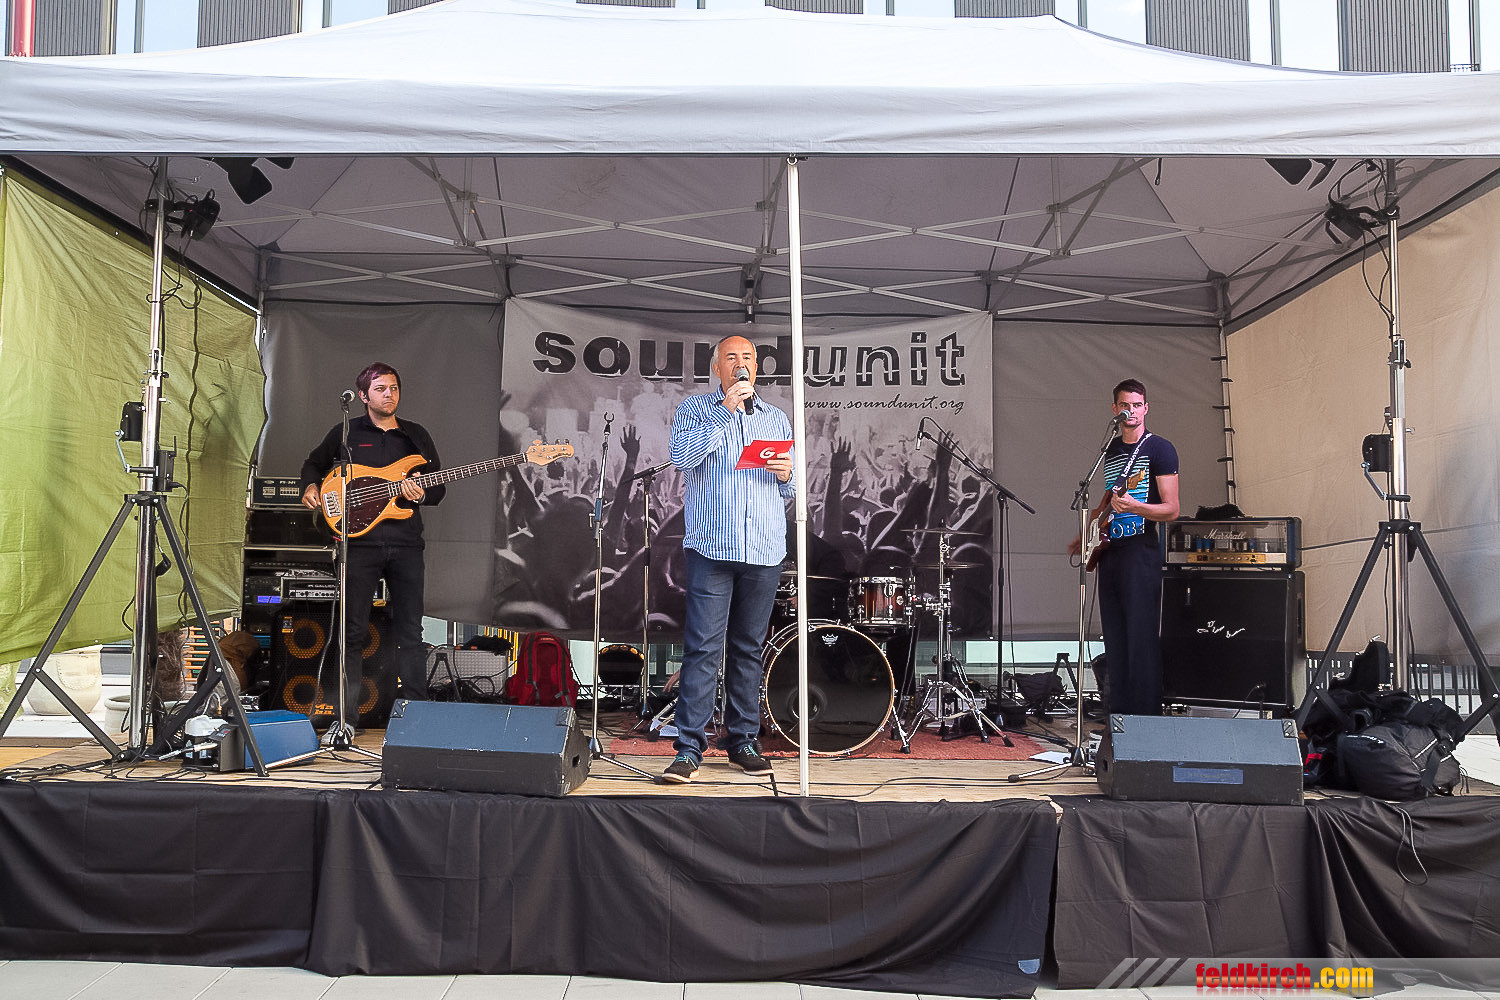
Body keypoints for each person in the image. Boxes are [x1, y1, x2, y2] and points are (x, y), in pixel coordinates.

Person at [662, 335, 795, 783]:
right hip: (712, 548)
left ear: (757, 368)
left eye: (748, 358)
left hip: (764, 549)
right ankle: (688, 749)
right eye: (731, 358)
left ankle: (743, 741)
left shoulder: (775, 418)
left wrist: (787, 473)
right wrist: (726, 411)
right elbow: (682, 457)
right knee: (703, 648)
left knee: (748, 649)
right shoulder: (695, 410)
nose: (741, 364)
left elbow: (791, 488)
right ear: (717, 368)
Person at [300, 362, 445, 735]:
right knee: (351, 632)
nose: (389, 395)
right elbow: (313, 464)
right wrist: (311, 487)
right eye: (380, 389)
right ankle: (346, 719)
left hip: (406, 544)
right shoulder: (346, 432)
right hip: (358, 545)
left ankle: (415, 717)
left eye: (394, 388)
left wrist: (420, 493)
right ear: (363, 396)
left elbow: (439, 488)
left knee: (410, 632)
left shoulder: (415, 436)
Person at [1068, 378, 1179, 717]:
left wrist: (1136, 507)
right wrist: (1090, 532)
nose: (1131, 411)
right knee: (1115, 637)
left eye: (1137, 405)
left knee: (1140, 637)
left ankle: (1146, 719)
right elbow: (1110, 498)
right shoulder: (1112, 450)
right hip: (1111, 550)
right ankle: (1119, 718)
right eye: (1125, 405)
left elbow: (1172, 509)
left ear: (1146, 408)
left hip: (1140, 550)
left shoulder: (1159, 449)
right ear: (1114, 409)